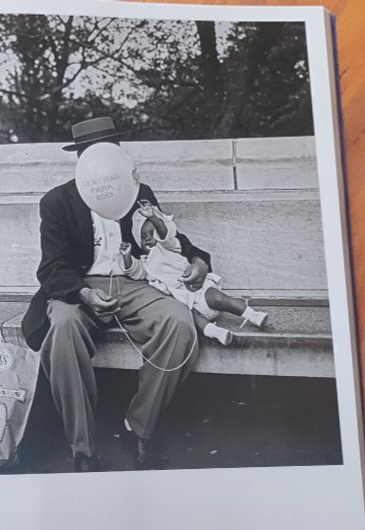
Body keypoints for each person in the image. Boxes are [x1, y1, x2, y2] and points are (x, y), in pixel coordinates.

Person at [20, 116, 213, 472]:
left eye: (110, 149)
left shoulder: (139, 192)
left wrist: (197, 261)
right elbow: (52, 268)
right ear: (80, 156)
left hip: (135, 284)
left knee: (180, 324)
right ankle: (83, 448)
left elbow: (171, 238)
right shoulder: (57, 201)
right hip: (80, 288)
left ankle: (139, 427)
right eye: (94, 151)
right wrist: (84, 294)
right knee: (62, 328)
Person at [118, 201, 269, 346]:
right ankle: (216, 332)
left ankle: (252, 315)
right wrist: (126, 256)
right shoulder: (145, 263)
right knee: (190, 317)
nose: (149, 239)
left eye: (152, 233)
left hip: (198, 290)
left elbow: (166, 235)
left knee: (219, 298)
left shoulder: (169, 247)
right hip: (184, 301)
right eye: (144, 237)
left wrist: (153, 217)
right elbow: (134, 270)